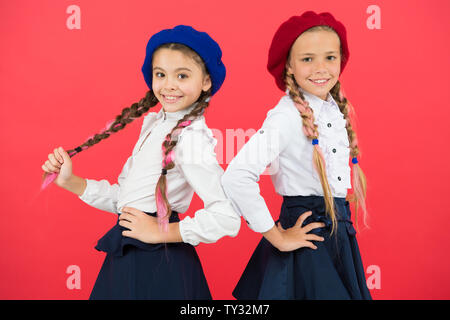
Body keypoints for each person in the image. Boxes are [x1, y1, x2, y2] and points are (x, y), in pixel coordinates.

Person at [41, 25, 240, 300]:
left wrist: (162, 232)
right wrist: (71, 182)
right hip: (128, 257)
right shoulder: (154, 125)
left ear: (206, 81)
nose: (169, 85)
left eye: (182, 75)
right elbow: (128, 201)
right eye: (161, 74)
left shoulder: (192, 138)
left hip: (158, 266)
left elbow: (226, 217)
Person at [221, 11, 372, 299]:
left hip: (337, 234)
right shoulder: (286, 116)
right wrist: (276, 236)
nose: (320, 68)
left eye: (330, 57)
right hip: (309, 236)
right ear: (289, 65)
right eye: (307, 59)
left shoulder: (333, 109)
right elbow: (236, 176)